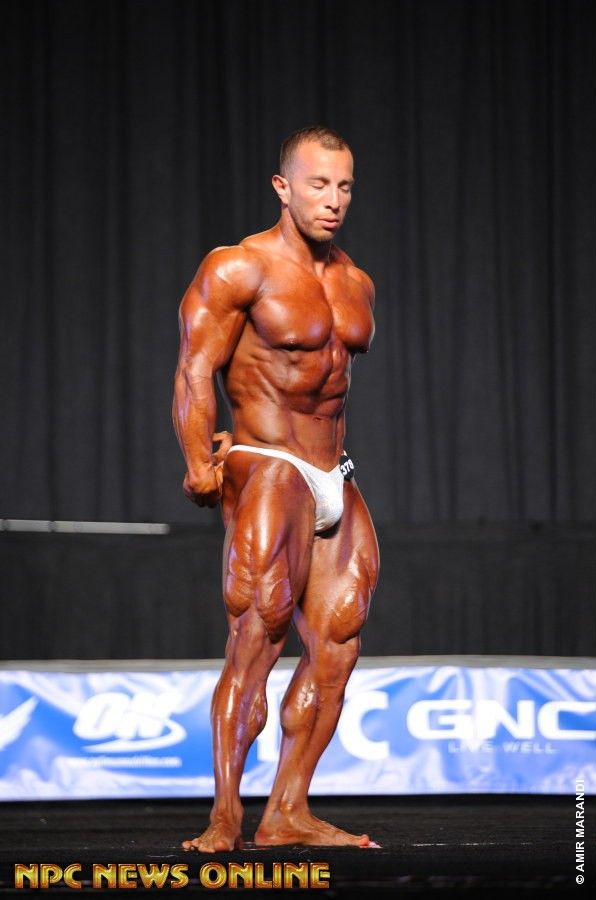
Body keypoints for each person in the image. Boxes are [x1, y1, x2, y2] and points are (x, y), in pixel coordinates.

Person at [172, 125, 380, 851]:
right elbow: (195, 369)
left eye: (344, 186)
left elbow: (332, 382)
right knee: (257, 635)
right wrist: (199, 460)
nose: (333, 199)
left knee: (338, 647)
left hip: (334, 470)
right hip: (268, 461)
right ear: (282, 187)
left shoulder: (356, 282)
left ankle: (287, 810)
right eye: (318, 184)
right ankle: (225, 815)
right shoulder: (239, 267)